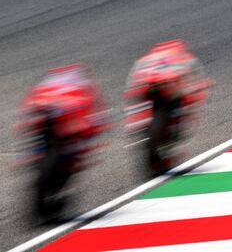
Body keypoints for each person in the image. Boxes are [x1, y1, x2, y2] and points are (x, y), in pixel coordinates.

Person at [17, 63, 110, 218]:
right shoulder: (78, 87)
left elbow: (94, 117)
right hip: (49, 129)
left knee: (78, 153)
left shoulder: (55, 87)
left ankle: (60, 186)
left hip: (64, 130)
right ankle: (40, 165)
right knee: (76, 150)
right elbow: (27, 115)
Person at [124, 39, 212, 175]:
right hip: (164, 89)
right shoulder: (186, 58)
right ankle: (152, 135)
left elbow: (132, 84)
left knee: (177, 113)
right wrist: (199, 90)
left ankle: (141, 130)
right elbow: (196, 85)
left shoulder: (146, 60)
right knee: (183, 117)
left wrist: (134, 112)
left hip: (149, 87)